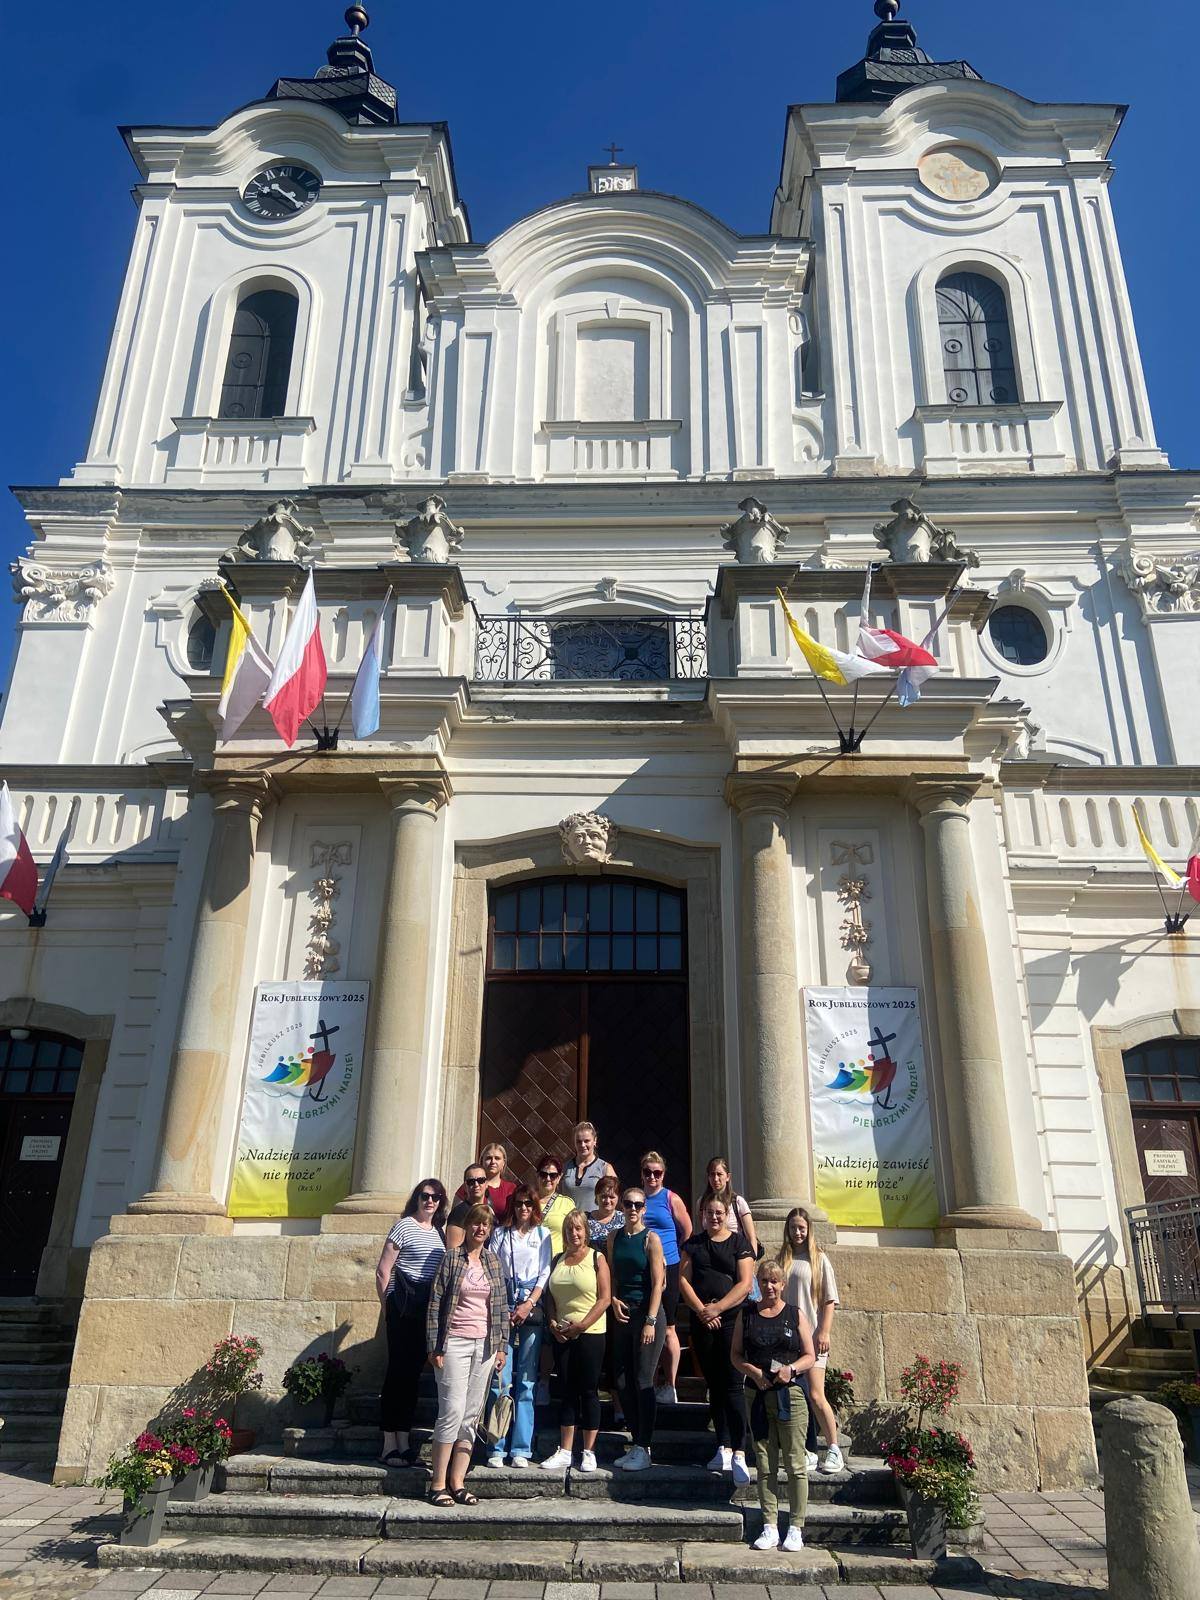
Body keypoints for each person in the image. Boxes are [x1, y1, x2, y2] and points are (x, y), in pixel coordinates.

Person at [425, 1204, 508, 1507]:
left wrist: (501, 1346)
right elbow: (435, 1303)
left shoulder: (493, 1262)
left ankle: (457, 1482)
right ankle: (437, 1484)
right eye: (476, 1223)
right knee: (451, 1411)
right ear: (468, 1226)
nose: (480, 1229)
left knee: (471, 1415)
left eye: (486, 1225)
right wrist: (434, 1346)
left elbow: (501, 1306)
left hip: (484, 1346)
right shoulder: (451, 1258)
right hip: (454, 1343)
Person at [732, 1260, 816, 1553]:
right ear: (758, 1283)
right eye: (764, 1281)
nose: (769, 1286)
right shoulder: (747, 1314)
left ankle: (795, 1527)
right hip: (757, 1394)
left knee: (795, 1463)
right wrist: (753, 1372)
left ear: (783, 1285)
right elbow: (736, 1355)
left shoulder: (794, 1314)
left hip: (789, 1395)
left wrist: (791, 1370)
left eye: (774, 1281)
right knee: (765, 1463)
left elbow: (810, 1355)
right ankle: (769, 1526)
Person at [680, 1195, 754, 1483]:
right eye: (709, 1212)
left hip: (731, 1320)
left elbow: (745, 1284)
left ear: (726, 1215)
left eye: (719, 1212)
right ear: (702, 1214)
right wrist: (703, 1310)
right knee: (714, 1384)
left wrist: (718, 1308)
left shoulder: (738, 1243)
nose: (714, 1217)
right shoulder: (694, 1244)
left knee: (733, 1384)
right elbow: (683, 1280)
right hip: (703, 1321)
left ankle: (740, 1451)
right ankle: (722, 1445)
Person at [375, 1178, 448, 1467]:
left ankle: (404, 1442)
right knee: (396, 1374)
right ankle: (388, 1445)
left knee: (412, 1376)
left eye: (435, 1197)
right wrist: (389, 1308)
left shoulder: (439, 1233)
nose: (430, 1201)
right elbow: (383, 1271)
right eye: (425, 1196)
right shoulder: (404, 1226)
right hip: (402, 1308)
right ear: (416, 1198)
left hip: (424, 1310)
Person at [486, 1185, 551, 1468]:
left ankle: (521, 1448)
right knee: (500, 1379)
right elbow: (492, 1269)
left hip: (529, 1307)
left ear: (534, 1207)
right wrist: (503, 1306)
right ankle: (496, 1444)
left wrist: (529, 1303)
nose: (524, 1208)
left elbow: (544, 1272)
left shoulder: (542, 1235)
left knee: (527, 1379)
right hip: (504, 1306)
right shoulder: (501, 1235)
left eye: (528, 1203)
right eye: (519, 1203)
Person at [541, 1208, 610, 1474]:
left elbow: (604, 1298)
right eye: (569, 1229)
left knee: (588, 1390)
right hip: (562, 1333)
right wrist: (552, 1322)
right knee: (567, 1390)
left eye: (578, 1228)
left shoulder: (596, 1258)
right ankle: (566, 1450)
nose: (574, 1233)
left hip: (590, 1333)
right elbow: (549, 1295)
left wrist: (582, 1325)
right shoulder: (558, 1259)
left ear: (586, 1231)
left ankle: (589, 1451)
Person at [778, 1206, 843, 1474]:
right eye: (793, 1227)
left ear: (809, 1230)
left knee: (816, 1395)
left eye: (802, 1228)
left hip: (813, 1338)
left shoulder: (819, 1259)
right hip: (789, 1340)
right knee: (796, 1397)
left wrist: (824, 1331)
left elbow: (829, 1299)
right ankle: (808, 1450)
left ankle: (834, 1448)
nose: (797, 1232)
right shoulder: (782, 1259)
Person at [606, 1186, 666, 1472]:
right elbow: (612, 1275)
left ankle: (645, 1445)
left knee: (643, 1379)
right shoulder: (613, 1237)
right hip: (622, 1313)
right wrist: (613, 1299)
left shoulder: (651, 1239)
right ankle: (636, 1439)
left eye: (638, 1205)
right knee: (621, 1379)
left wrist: (650, 1321)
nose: (632, 1209)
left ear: (644, 1209)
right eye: (628, 1204)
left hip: (646, 1314)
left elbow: (658, 1284)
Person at [638, 1149, 691, 1404]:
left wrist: (678, 1258)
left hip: (668, 1266)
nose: (652, 1177)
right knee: (648, 1324)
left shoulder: (671, 1198)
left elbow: (687, 1230)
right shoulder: (637, 1199)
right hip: (644, 1267)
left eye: (657, 1173)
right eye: (647, 1172)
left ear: (663, 1174)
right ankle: (650, 1380)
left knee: (668, 1327)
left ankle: (670, 1384)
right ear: (642, 1174)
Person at [693, 1155, 760, 1261]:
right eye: (712, 1174)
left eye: (719, 1174)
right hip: (711, 1256)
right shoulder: (701, 1203)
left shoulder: (738, 1202)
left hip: (735, 1256)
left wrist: (752, 1261)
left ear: (728, 1177)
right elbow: (702, 1232)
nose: (715, 1179)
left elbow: (751, 1236)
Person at [561, 1121, 617, 1213]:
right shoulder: (565, 1168)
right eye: (579, 1141)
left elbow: (614, 1198)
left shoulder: (604, 1168)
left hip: (594, 1220)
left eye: (586, 1141)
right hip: (569, 1220)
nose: (582, 1145)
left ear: (595, 1141)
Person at [455, 1141, 516, 1224]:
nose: (493, 1161)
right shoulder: (470, 1185)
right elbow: (456, 1216)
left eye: (497, 1158)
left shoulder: (511, 1188)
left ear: (503, 1163)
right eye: (488, 1158)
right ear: (482, 1161)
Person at [534, 1154, 574, 1256]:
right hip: (530, 1262)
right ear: (537, 1176)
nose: (548, 1179)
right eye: (543, 1174)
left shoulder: (567, 1204)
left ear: (559, 1178)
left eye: (553, 1175)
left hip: (555, 1262)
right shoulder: (526, 1203)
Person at [446, 1163, 490, 1248]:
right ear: (465, 1186)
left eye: (481, 1180)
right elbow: (453, 1250)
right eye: (471, 1182)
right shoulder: (459, 1213)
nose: (476, 1185)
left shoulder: (488, 1211)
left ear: (486, 1184)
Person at [587, 1174, 625, 1245]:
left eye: (612, 1197)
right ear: (596, 1197)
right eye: (603, 1196)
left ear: (618, 1198)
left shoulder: (624, 1219)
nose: (607, 1201)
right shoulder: (585, 1220)